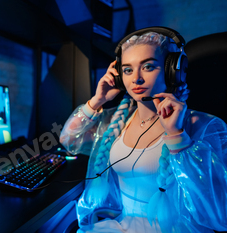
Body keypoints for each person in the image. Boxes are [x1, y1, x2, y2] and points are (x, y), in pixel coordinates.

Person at [60, 27, 227, 233]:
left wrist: (177, 137)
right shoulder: (117, 120)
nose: (136, 79)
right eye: (128, 70)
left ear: (172, 71)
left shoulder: (203, 125)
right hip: (121, 225)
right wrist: (97, 100)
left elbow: (217, 211)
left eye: (148, 67)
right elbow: (68, 140)